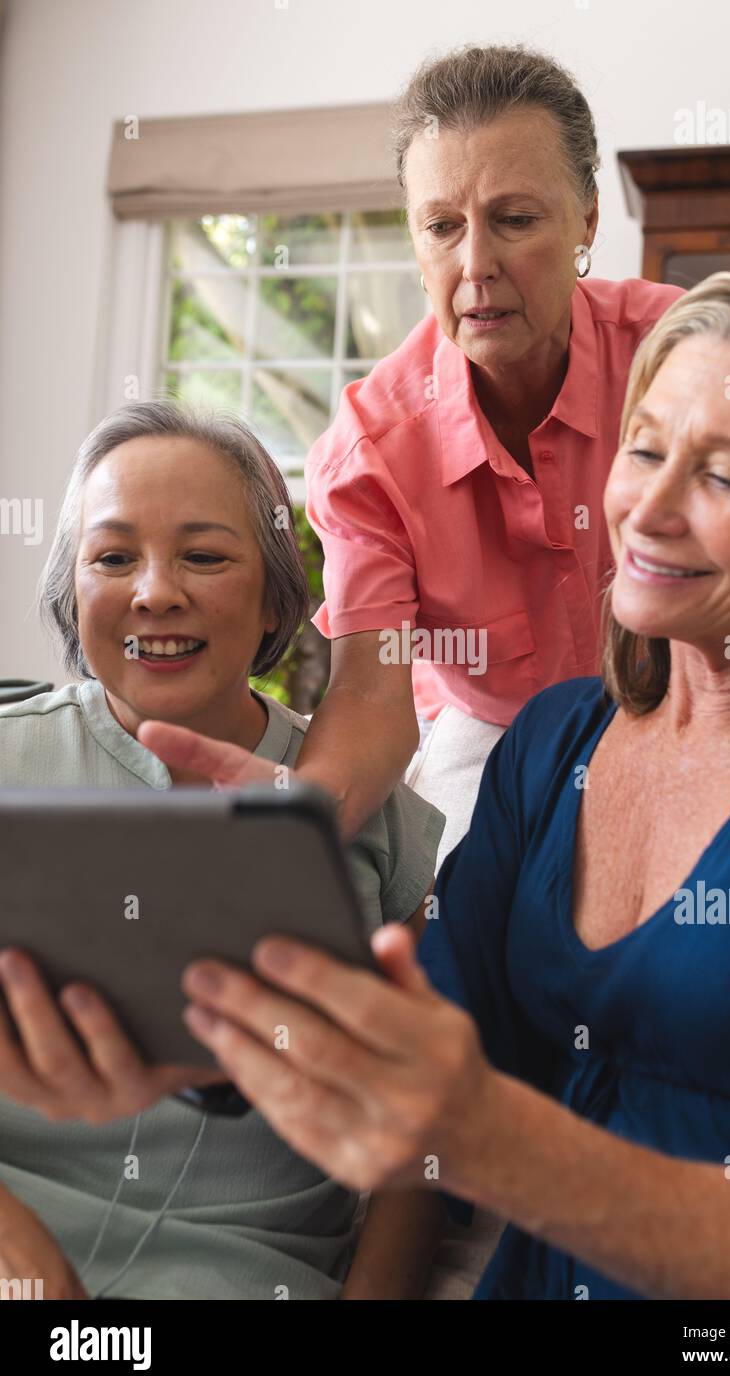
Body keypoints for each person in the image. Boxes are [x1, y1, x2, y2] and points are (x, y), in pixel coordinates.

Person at [180, 259, 730, 1299]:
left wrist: (491, 1141)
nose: (650, 508)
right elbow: (447, 1019)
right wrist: (225, 976)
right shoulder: (556, 743)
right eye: (643, 450)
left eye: (726, 477)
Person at [141, 43, 681, 868]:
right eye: (442, 226)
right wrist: (299, 823)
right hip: (490, 723)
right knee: (458, 910)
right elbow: (369, 693)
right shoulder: (369, 454)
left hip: (689, 692)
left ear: (587, 221)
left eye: (515, 218)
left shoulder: (680, 353)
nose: (475, 265)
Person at [0, 402, 442, 1299]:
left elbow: (421, 1142)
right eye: (112, 557)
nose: (155, 590)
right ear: (69, 591)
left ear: (279, 596)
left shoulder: (381, 825)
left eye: (203, 555)